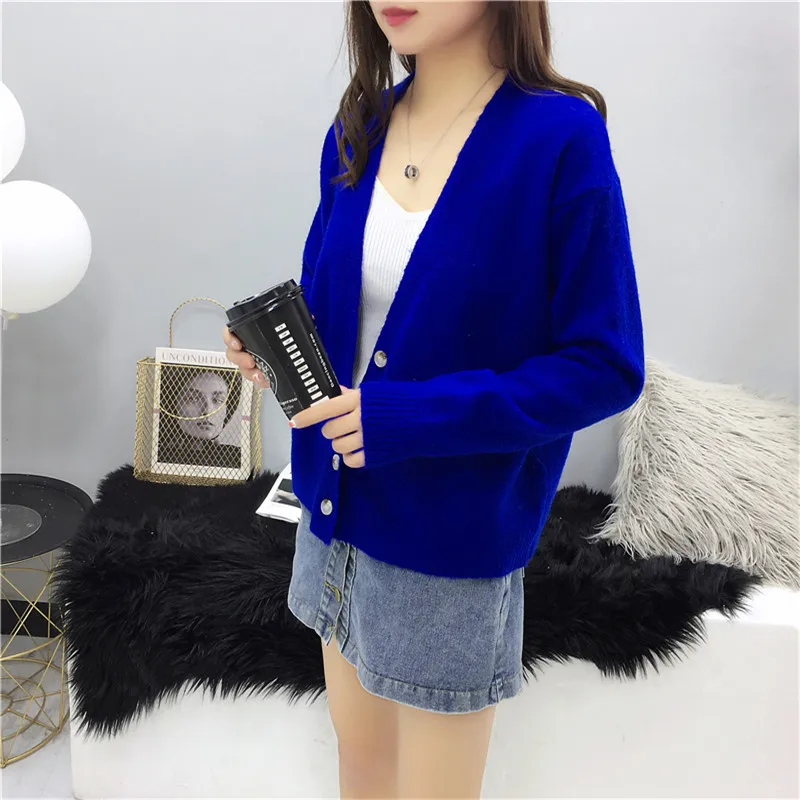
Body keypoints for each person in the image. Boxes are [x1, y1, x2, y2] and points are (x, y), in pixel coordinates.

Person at [224, 2, 644, 796]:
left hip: (450, 538)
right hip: (331, 516)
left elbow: (604, 364)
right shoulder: (358, 127)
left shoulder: (560, 138)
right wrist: (276, 349)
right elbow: (342, 312)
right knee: (361, 765)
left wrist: (410, 417)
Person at [157, 367, 242, 470]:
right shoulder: (157, 456)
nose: (207, 411)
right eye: (193, 399)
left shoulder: (236, 459)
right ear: (172, 405)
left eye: (218, 400)